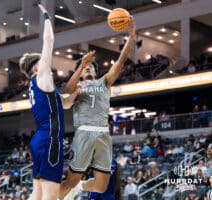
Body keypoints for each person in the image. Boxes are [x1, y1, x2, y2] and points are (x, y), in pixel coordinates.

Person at [59, 17, 135, 199]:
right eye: (85, 68)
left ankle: (80, 187)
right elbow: (66, 90)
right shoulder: (77, 87)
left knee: (101, 187)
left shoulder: (104, 82)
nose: (88, 69)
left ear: (95, 71)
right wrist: (81, 66)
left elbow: (121, 62)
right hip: (84, 132)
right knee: (70, 181)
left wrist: (131, 36)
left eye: (91, 67)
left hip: (103, 133)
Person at [19, 4, 78, 200]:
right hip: (50, 141)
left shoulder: (39, 87)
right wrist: (46, 15)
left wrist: (77, 93)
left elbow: (66, 104)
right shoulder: (41, 76)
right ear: (36, 67)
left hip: (40, 141)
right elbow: (49, 39)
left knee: (36, 194)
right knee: (50, 197)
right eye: (43, 62)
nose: (48, 64)